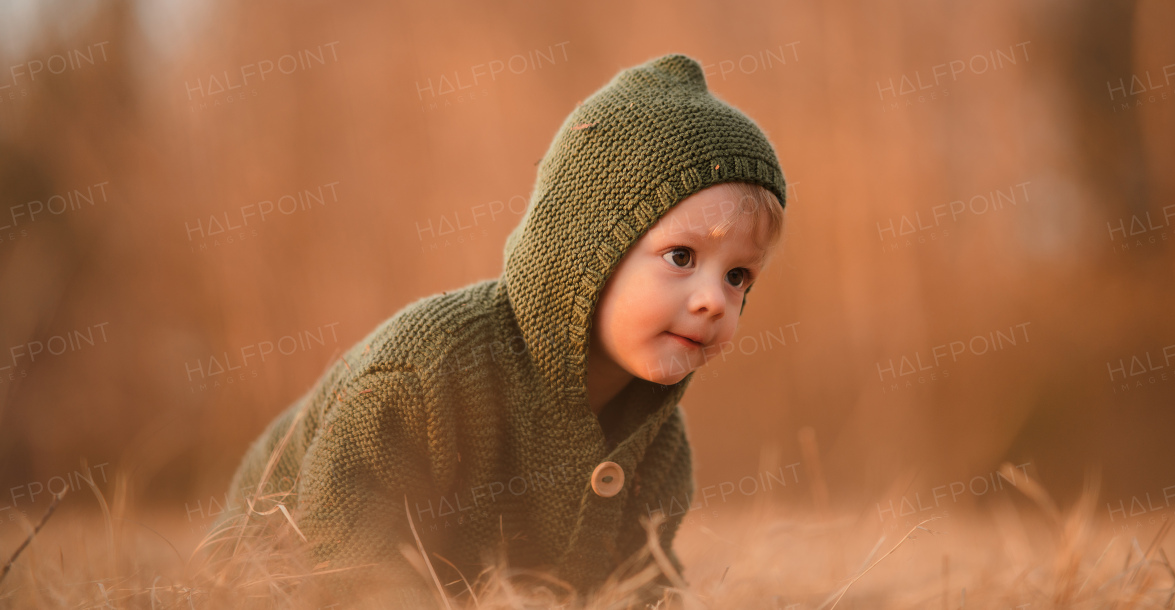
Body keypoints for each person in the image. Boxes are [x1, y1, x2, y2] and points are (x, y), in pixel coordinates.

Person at [208, 52, 789, 608]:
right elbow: (348, 536)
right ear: (584, 251)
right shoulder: (429, 369)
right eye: (682, 257)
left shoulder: (658, 439)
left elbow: (642, 577)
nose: (715, 300)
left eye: (738, 275)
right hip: (282, 571)